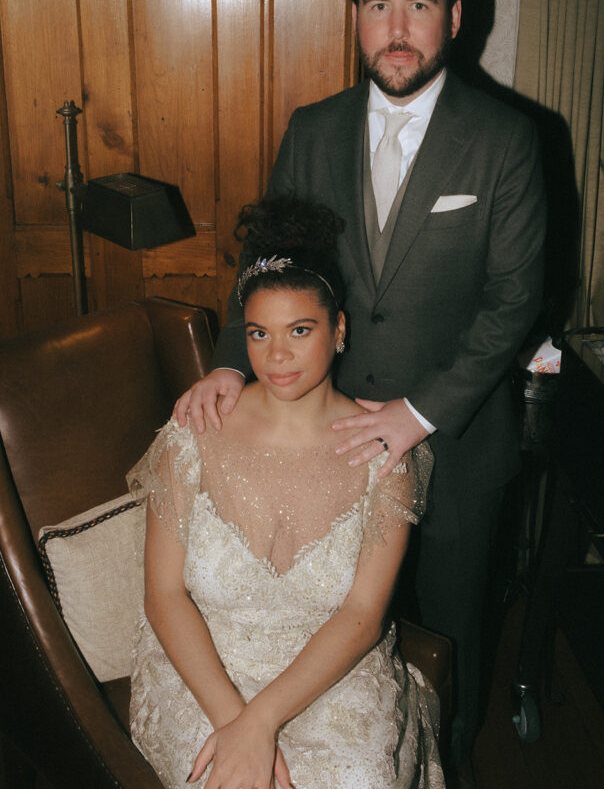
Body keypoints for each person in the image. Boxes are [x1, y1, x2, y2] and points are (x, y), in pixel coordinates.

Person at [174, 0, 546, 786]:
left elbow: (514, 300)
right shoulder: (311, 129)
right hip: (320, 446)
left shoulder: (506, 140)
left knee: (447, 633)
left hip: (452, 445)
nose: (396, 29)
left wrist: (417, 415)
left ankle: (442, 767)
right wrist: (231, 361)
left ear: (453, 17)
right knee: (332, 632)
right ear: (354, 16)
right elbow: (266, 266)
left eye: (417, 6)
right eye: (377, 7)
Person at [129, 197, 446, 789]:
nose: (276, 357)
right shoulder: (193, 434)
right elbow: (164, 596)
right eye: (259, 333)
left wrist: (263, 722)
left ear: (340, 329)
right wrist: (236, 725)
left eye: (300, 330)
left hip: (332, 673)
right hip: (201, 669)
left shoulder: (386, 456)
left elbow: (361, 615)